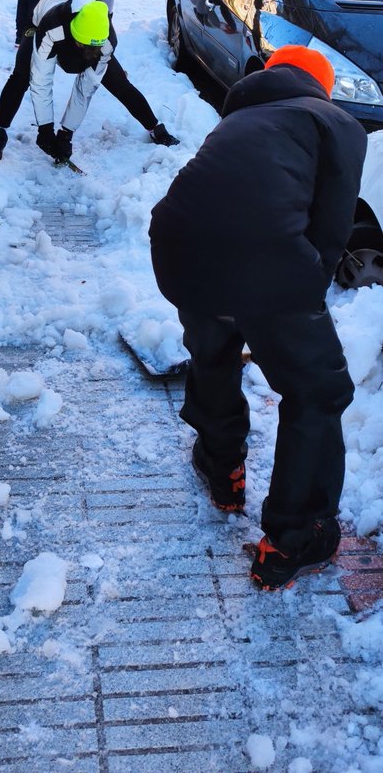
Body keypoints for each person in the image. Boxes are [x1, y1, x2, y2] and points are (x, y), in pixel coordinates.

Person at [149, 45, 367, 591]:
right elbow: (331, 228)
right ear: (323, 86)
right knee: (318, 394)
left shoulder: (239, 118)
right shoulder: (337, 123)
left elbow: (221, 199)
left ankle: (221, 468)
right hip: (264, 260)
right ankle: (295, 538)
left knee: (214, 348)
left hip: (178, 252)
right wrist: (293, 305)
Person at [0, 0, 179, 161]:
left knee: (118, 82)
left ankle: (155, 127)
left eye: (92, 50)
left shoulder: (106, 40)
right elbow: (42, 82)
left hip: (88, 34)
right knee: (22, 76)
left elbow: (85, 89)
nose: (86, 55)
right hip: (41, 23)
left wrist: (66, 133)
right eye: (83, 48)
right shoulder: (52, 27)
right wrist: (45, 129)